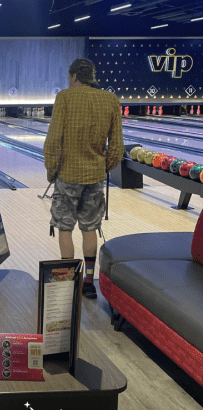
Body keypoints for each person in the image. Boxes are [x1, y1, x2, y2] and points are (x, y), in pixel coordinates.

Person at [43, 58, 123, 299]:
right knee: (90, 229)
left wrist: (52, 171)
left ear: (75, 76)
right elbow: (117, 147)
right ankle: (89, 283)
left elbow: (52, 142)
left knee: (65, 228)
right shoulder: (110, 99)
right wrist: (103, 167)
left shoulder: (65, 97)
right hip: (95, 177)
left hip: (68, 175)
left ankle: (68, 283)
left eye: (69, 77)